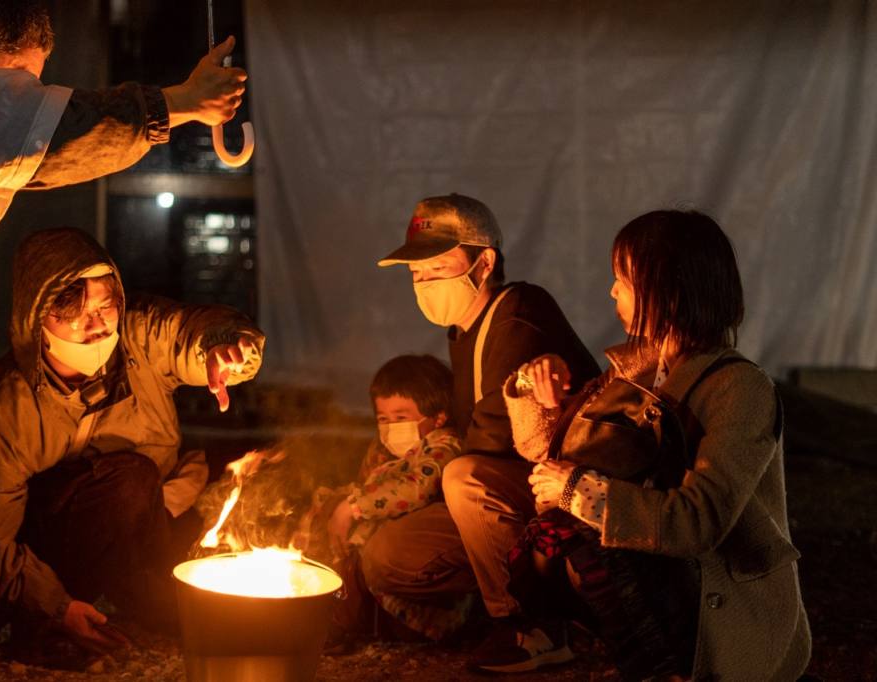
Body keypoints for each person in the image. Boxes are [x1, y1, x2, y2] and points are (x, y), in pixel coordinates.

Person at [0, 0, 248, 536]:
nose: (20, 104)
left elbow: (174, 334)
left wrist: (223, 343)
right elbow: (59, 134)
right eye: (17, 85)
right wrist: (181, 104)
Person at [504, 210, 811, 680]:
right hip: (670, 574)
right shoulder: (643, 368)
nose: (611, 292)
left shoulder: (739, 388)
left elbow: (699, 521)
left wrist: (578, 491)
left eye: (623, 279)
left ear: (668, 288)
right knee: (555, 540)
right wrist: (534, 389)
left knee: (583, 530)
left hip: (723, 597)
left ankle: (671, 663)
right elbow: (549, 453)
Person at [0, 227, 264, 667]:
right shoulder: (6, 408)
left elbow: (186, 330)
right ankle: (48, 627)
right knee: (129, 481)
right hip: (44, 542)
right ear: (36, 315)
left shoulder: (138, 340)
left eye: (105, 305)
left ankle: (148, 601)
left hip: (140, 521)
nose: (95, 325)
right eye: (72, 309)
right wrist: (56, 606)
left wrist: (225, 344)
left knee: (204, 536)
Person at [366, 193, 601, 672]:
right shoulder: (462, 329)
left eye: (437, 267)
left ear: (484, 261)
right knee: (385, 557)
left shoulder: (518, 311)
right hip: (507, 496)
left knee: (462, 477)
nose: (425, 282)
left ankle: (530, 625)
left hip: (564, 496)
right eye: (416, 273)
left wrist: (414, 483)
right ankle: (505, 586)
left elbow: (492, 442)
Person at [316, 354, 464, 645]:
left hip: (425, 597)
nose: (390, 427)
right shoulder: (385, 453)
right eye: (383, 418)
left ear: (439, 416)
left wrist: (353, 506)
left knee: (358, 541)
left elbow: (416, 487)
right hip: (380, 576)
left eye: (401, 418)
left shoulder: (444, 446)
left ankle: (339, 622)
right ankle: (331, 615)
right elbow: (366, 484)